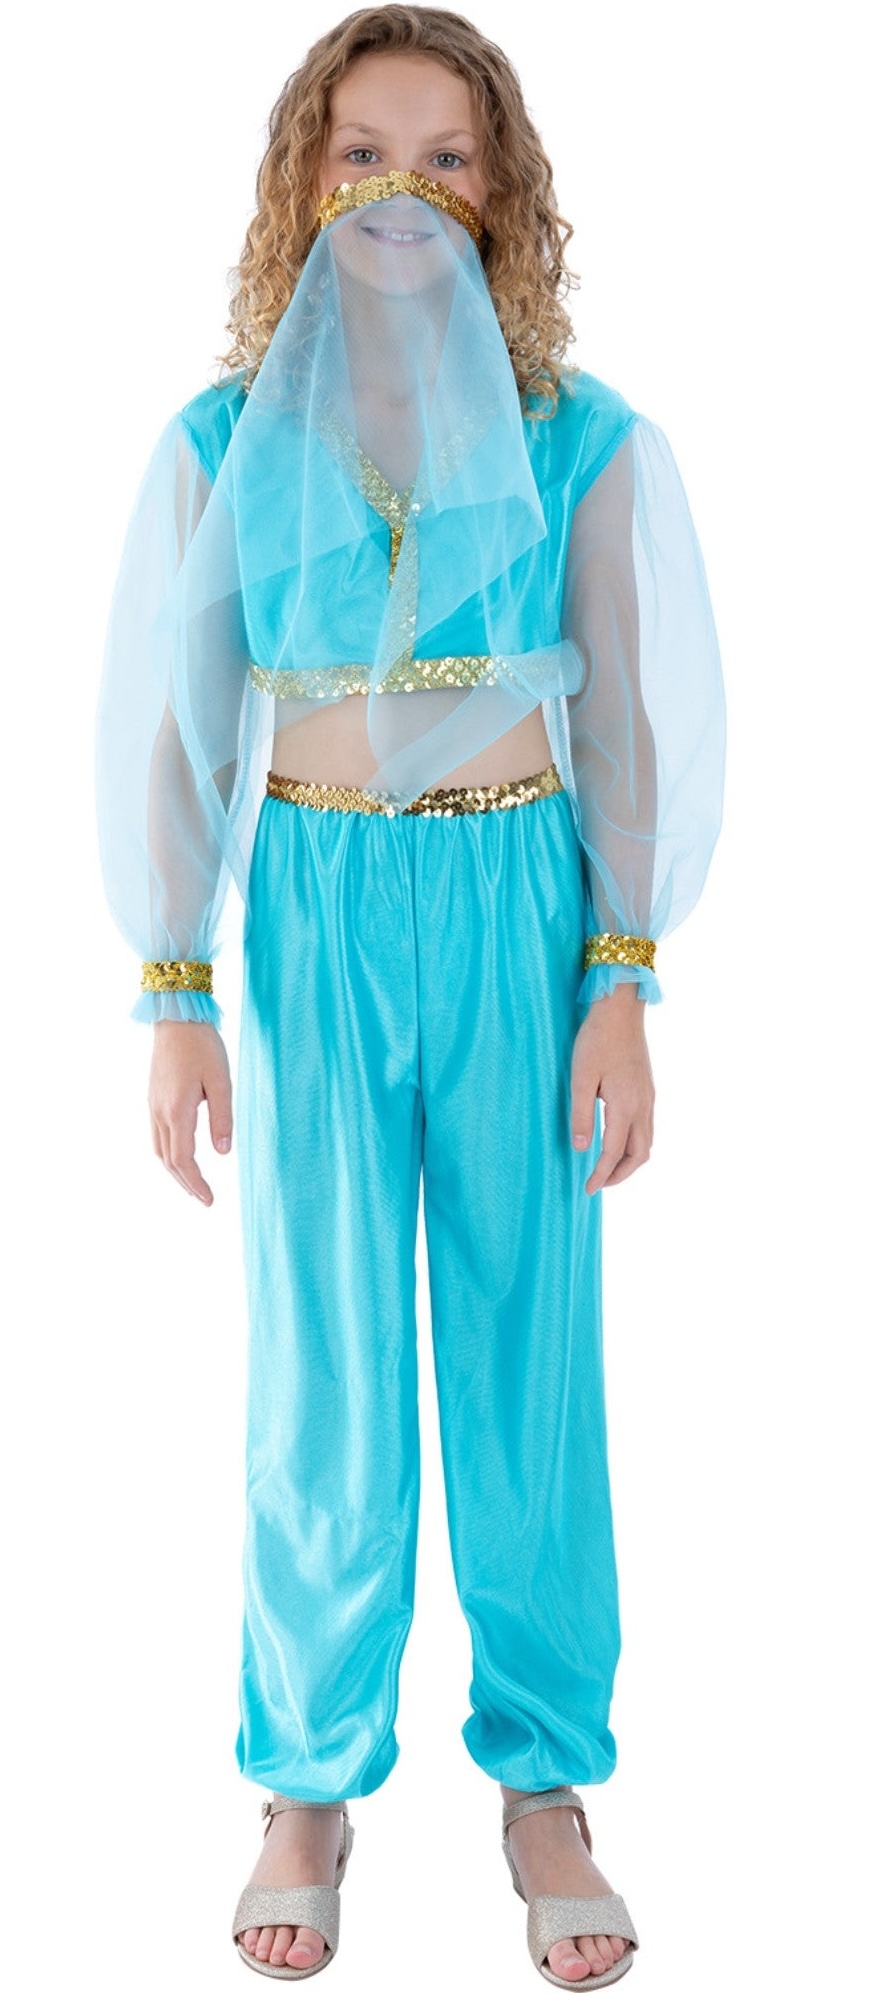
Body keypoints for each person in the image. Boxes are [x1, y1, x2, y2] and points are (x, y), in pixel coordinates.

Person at [96, 6, 725, 1984]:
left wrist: (621, 976)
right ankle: (305, 1773)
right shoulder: (224, 443)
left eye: (445, 156)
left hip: (517, 904)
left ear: (499, 192)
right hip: (317, 908)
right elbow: (179, 720)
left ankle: (544, 1775)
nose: (399, 188)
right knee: (326, 1345)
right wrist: (175, 984)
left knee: (530, 1342)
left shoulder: (577, 435)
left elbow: (622, 716)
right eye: (361, 148)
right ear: (304, 176)